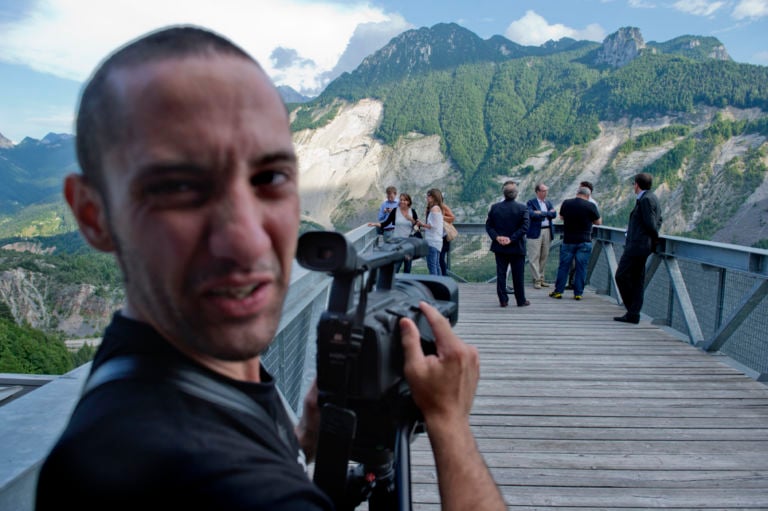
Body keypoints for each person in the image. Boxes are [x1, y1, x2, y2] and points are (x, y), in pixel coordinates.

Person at [34, 26, 505, 511]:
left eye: (271, 177)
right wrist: (449, 423)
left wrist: (301, 441)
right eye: (179, 187)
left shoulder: (145, 375)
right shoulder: (193, 475)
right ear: (92, 214)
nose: (246, 237)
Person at [614, 172, 663, 324]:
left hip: (637, 246)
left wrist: (651, 239)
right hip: (641, 245)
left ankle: (633, 310)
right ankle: (633, 313)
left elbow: (650, 224)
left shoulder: (645, 200)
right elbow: (659, 219)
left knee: (621, 276)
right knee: (636, 280)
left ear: (637, 184)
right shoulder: (651, 197)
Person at [549, 186, 602, 300]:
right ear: (588, 196)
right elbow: (598, 222)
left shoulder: (567, 203)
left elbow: (562, 217)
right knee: (581, 268)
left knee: (564, 266)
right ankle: (578, 293)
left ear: (577, 193)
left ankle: (558, 291)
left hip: (568, 239)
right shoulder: (590, 205)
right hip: (584, 240)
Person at [486, 180, 530, 307]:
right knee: (518, 275)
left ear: (504, 194)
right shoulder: (523, 208)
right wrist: (512, 238)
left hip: (500, 247)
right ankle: (521, 300)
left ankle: (503, 300)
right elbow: (525, 227)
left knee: (501, 274)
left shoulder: (495, 208)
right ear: (516, 194)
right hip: (517, 247)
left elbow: (489, 226)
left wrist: (497, 237)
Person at [368, 192, 419, 273]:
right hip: (397, 243)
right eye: (401, 200)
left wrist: (412, 220)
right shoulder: (395, 211)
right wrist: (376, 224)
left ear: (409, 201)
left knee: (407, 266)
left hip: (409, 243)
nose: (402, 202)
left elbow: (417, 228)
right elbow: (386, 223)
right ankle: (393, 283)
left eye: (405, 200)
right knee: (396, 266)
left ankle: (405, 283)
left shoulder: (412, 212)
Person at [566, 180, 599, 290]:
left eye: (580, 189)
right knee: (578, 263)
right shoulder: (590, 204)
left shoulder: (591, 204)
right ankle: (576, 286)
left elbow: (597, 220)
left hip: (580, 236)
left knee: (577, 263)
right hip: (583, 236)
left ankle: (575, 284)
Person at [526, 183, 556, 289]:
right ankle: (537, 280)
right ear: (538, 192)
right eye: (543, 191)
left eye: (546, 190)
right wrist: (547, 213)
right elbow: (531, 214)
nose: (545, 193)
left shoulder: (548, 203)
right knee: (534, 256)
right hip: (535, 232)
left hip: (547, 231)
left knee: (544, 255)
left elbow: (554, 214)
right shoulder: (531, 202)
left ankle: (541, 278)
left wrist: (541, 213)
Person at [416, 188, 445, 276]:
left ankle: (435, 285)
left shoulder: (434, 209)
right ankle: (440, 284)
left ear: (434, 197)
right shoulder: (438, 208)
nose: (427, 197)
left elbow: (432, 226)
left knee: (432, 265)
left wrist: (421, 224)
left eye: (429, 196)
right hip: (437, 241)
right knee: (436, 265)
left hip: (432, 241)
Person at [440, 198, 456, 276]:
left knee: (440, 259)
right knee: (436, 259)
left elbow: (452, 218)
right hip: (434, 236)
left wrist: (441, 217)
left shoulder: (443, 207)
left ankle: (444, 276)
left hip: (443, 237)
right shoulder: (429, 207)